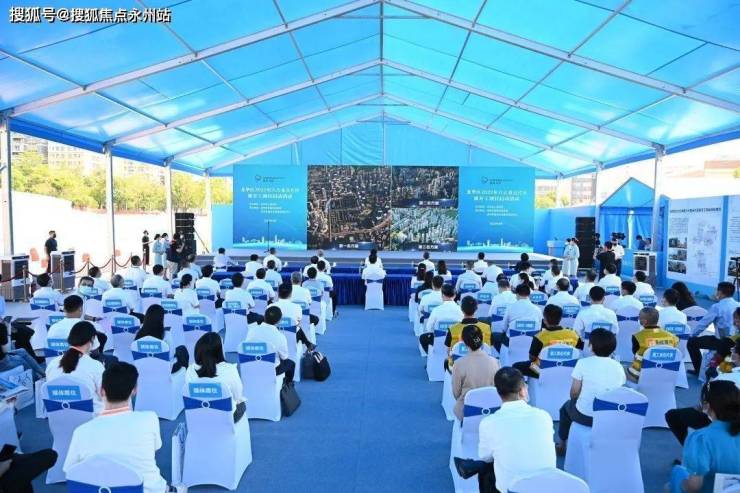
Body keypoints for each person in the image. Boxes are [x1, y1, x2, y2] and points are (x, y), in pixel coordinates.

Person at [64, 362, 168, 493]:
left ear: (101, 391)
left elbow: (70, 471)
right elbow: (155, 448)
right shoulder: (149, 419)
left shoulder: (81, 432)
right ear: (134, 390)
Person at [473, 368, 556, 493]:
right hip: (545, 487)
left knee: (487, 470)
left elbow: (485, 456)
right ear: (522, 391)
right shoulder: (544, 416)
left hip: (511, 489)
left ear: (498, 393)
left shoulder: (488, 423)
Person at [556, 328, 625, 454]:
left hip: (585, 416)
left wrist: (578, 400)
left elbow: (574, 393)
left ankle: (562, 445)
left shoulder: (583, 363)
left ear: (591, 346)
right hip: (609, 416)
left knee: (565, 409)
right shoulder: (618, 366)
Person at [666, 380, 740, 493]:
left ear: (707, 406)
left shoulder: (701, 439)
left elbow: (693, 486)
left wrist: (679, 483)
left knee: (674, 477)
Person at [666, 340, 740, 446]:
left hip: (725, 421)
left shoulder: (725, 378)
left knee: (672, 416)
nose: (732, 351)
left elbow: (706, 406)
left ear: (737, 356)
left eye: (734, 350)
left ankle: (692, 447)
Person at [46, 321, 105, 412]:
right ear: (93, 339)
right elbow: (104, 395)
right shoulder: (95, 365)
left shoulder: (52, 364)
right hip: (92, 417)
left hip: (59, 416)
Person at [186, 333, 246, 422]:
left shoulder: (190, 370)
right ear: (219, 351)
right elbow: (237, 396)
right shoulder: (230, 369)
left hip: (198, 416)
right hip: (226, 419)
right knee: (242, 404)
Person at [513, 304, 582, 378]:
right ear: (560, 319)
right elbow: (580, 350)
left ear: (544, 320)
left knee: (516, 366)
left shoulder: (539, 336)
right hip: (568, 370)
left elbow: (532, 358)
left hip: (543, 370)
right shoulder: (573, 334)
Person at [687, 282, 739, 376]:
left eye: (716, 290)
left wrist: (692, 335)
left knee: (691, 342)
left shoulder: (717, 307)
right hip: (735, 341)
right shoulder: (738, 305)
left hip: (721, 341)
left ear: (720, 292)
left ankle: (698, 370)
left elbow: (703, 324)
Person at [452, 325, 500, 422]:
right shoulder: (495, 362)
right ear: (482, 340)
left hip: (466, 411)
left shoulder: (459, 364)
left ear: (464, 342)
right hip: (491, 409)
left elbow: (456, 393)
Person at [245, 306, 295, 384]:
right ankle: (288, 385)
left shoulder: (252, 330)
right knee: (291, 364)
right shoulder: (280, 337)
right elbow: (284, 357)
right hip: (271, 370)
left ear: (264, 316)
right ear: (279, 321)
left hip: (252, 366)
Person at [628, 307, 679, 382]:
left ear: (644, 321)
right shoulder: (673, 337)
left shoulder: (637, 337)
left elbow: (635, 352)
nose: (638, 319)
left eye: (639, 317)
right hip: (666, 374)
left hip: (640, 375)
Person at [135, 305, 189, 373]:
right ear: (161, 318)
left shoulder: (138, 334)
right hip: (166, 369)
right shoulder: (166, 335)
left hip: (143, 369)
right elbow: (171, 355)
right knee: (182, 350)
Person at [446, 297, 491, 369]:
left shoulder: (452, 329)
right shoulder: (487, 328)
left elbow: (449, 352)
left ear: (461, 309)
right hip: (482, 367)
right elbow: (489, 349)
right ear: (476, 309)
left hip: (458, 367)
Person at [269, 283, 316, 350]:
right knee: (297, 327)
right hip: (292, 338)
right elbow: (298, 322)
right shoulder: (297, 307)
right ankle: (308, 344)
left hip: (274, 338)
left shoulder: (270, 307)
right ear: (291, 294)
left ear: (278, 293)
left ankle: (308, 344)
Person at [420, 284, 462, 354]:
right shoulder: (461, 310)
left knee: (423, 338)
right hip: (456, 341)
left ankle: (431, 355)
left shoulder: (436, 310)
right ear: (455, 296)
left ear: (442, 296)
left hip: (438, 340)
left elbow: (429, 328)